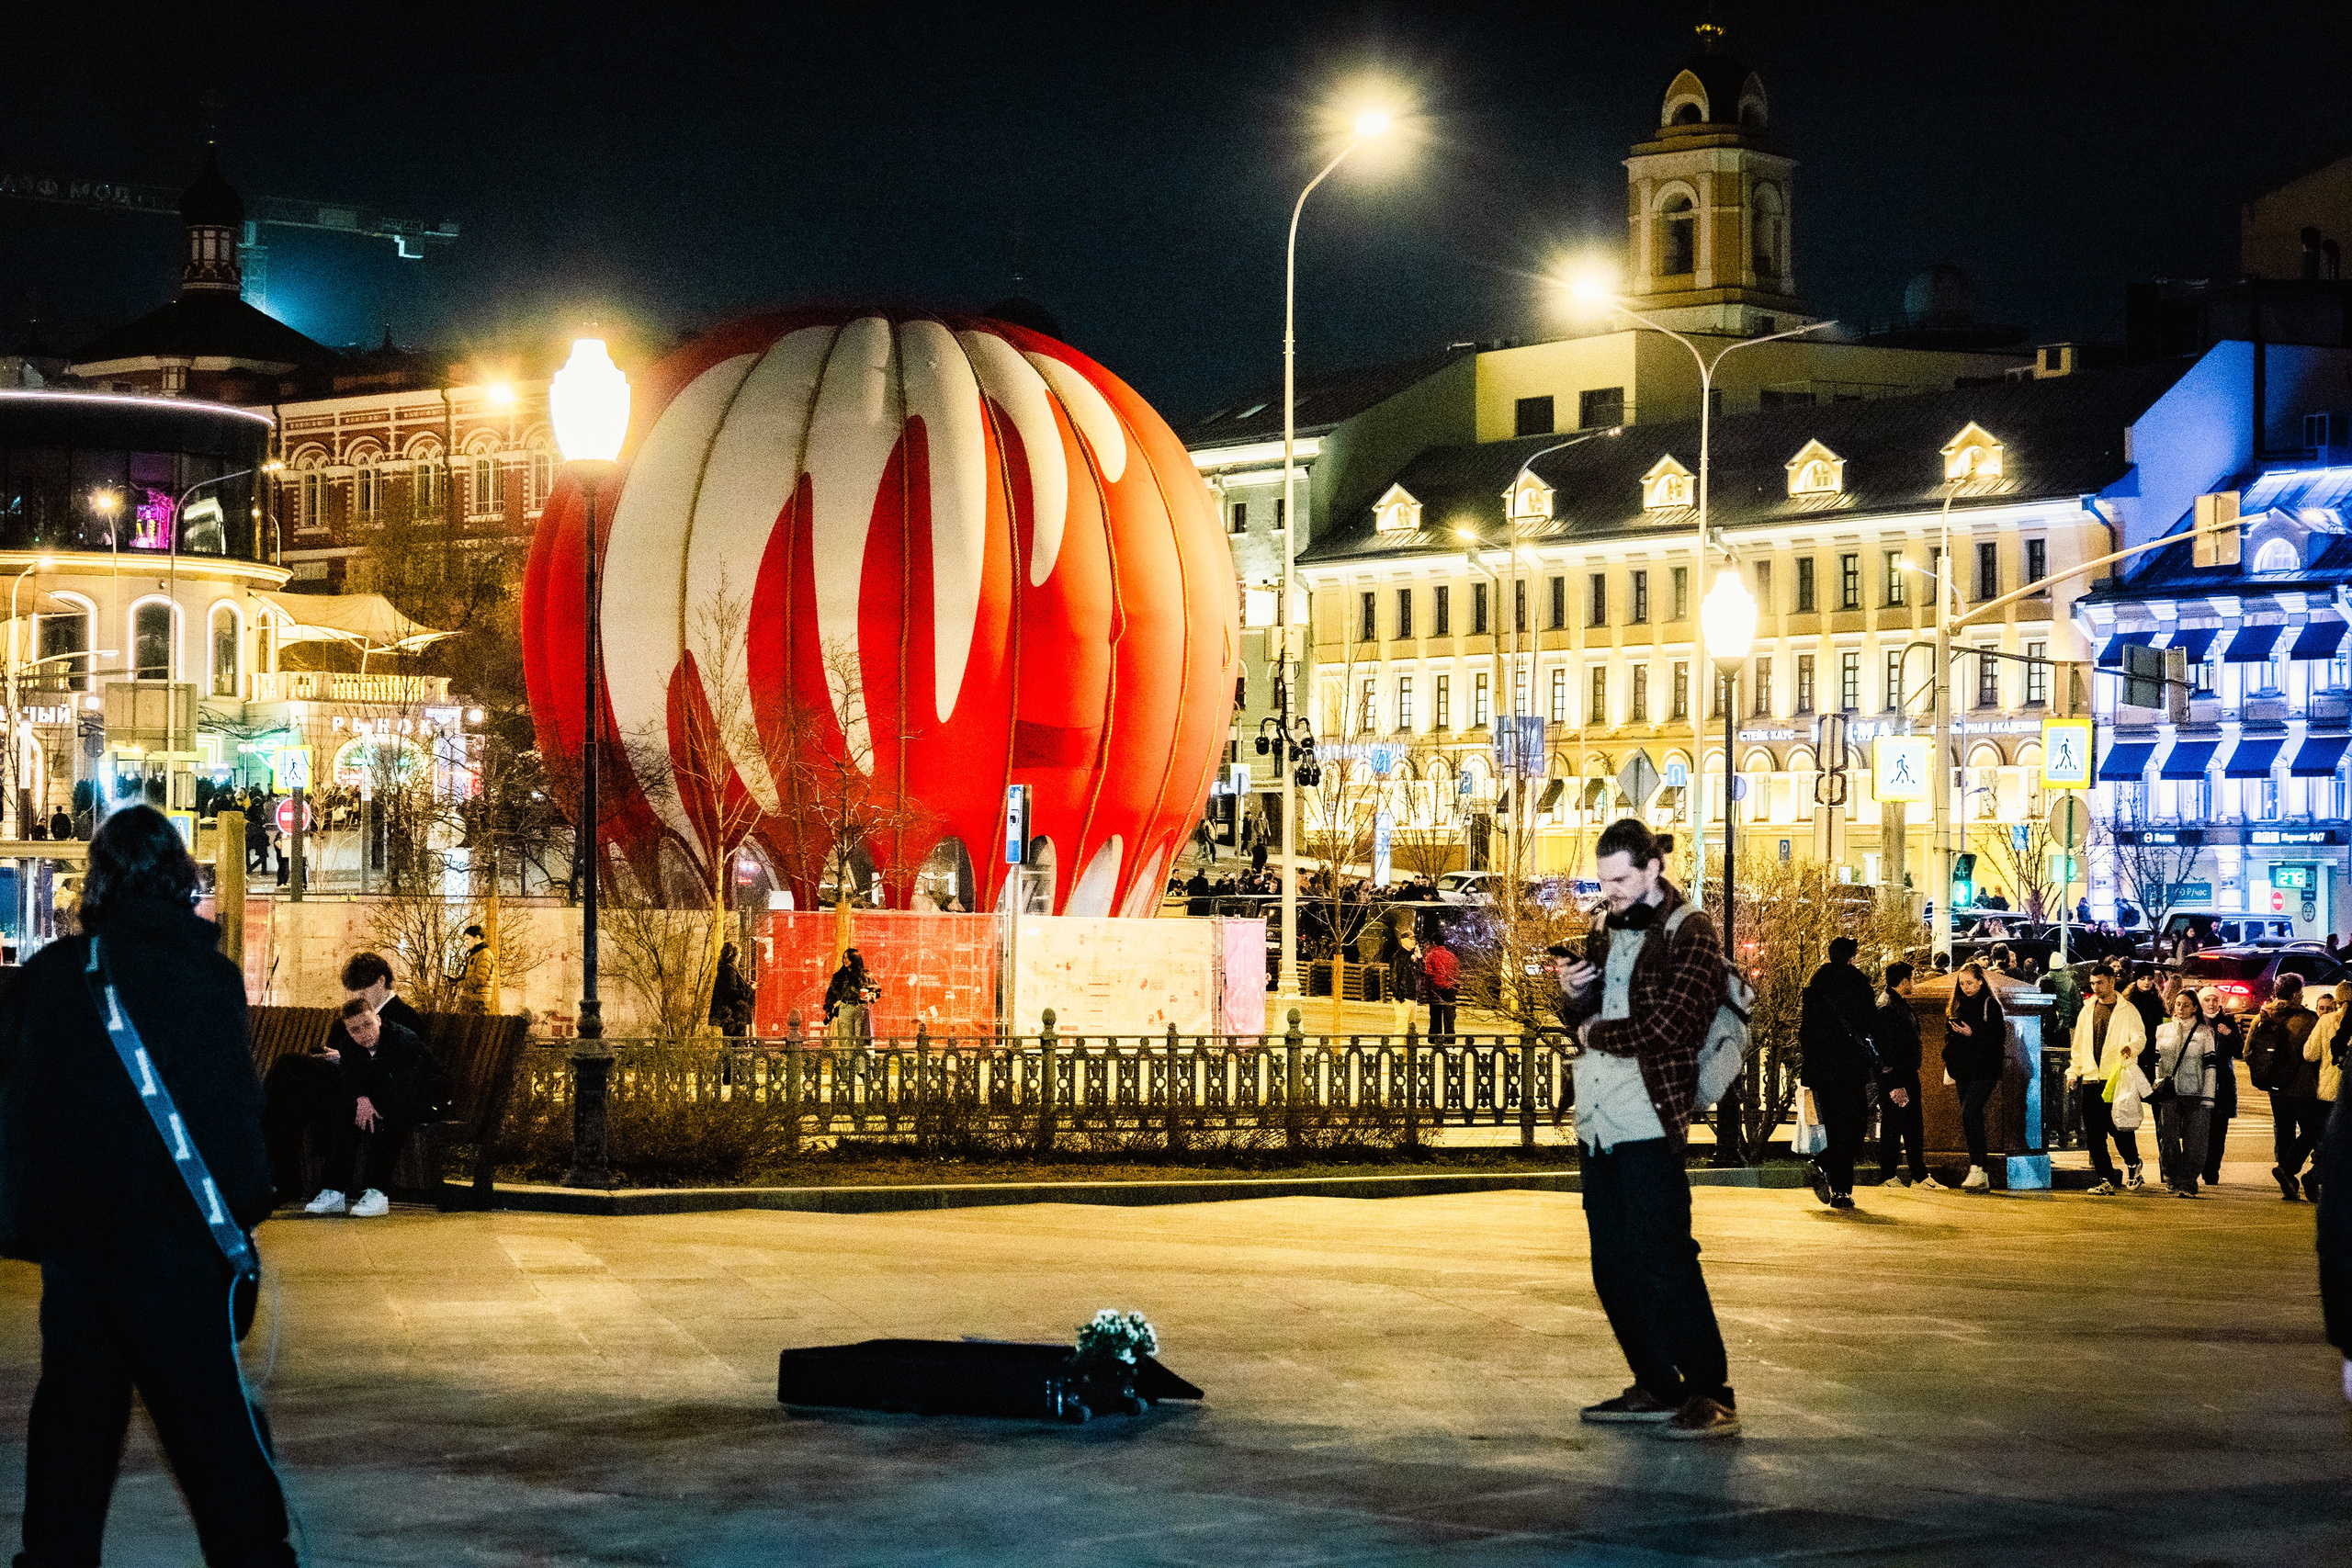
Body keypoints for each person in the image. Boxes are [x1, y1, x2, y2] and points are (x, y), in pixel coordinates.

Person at [0, 805, 296, 1565]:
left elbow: (24, 1110)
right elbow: (234, 1114)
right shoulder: (209, 977)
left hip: (84, 1257)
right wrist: (244, 1209)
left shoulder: (55, 978)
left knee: (71, 1444)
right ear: (179, 877)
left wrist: (38, 1224)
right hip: (180, 1257)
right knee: (218, 1449)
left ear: (97, 882)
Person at [1557, 821, 1739, 1440]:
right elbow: (1585, 1016)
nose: (1608, 891)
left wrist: (1594, 1033)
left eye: (1619, 879)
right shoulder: (1608, 927)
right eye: (1602, 879)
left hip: (1649, 1118)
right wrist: (1571, 994)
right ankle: (1656, 1381)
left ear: (1652, 868)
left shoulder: (1691, 931)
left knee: (1665, 1257)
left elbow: (1674, 1025)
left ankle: (1710, 1390)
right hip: (1599, 1120)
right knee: (1611, 1261)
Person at [263, 997, 449, 1217]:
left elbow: (406, 1088)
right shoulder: (349, 1046)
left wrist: (371, 1102)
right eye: (355, 1030)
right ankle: (334, 1190)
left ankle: (377, 1192)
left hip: (426, 1098)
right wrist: (361, 1099)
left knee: (389, 1117)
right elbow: (349, 1080)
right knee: (347, 1113)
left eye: (368, 1024)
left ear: (378, 1019)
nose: (364, 1033)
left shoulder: (404, 1042)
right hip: (383, 1094)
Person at [1797, 936, 1878, 1210]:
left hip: (1822, 1070)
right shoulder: (1859, 985)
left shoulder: (1815, 985)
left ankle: (1838, 1187)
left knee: (1835, 1127)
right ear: (1852, 956)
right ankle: (1831, 1176)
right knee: (1854, 1127)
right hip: (1850, 1068)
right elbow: (1869, 1024)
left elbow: (1805, 1032)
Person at [2068, 965, 2148, 1193]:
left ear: (2112, 982)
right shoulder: (2087, 1009)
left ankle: (2133, 1163)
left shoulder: (2127, 1010)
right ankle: (2104, 1178)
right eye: (2093, 983)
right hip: (2091, 1078)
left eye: (2100, 983)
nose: (2095, 987)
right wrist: (2073, 1072)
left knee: (2119, 1127)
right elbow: (2079, 1045)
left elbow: (2140, 1037)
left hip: (2115, 1077)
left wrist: (2130, 1048)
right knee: (2094, 1134)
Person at [2247, 973, 2324, 1201]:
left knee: (2284, 1131)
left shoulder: (2261, 1017)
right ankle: (2289, 1168)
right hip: (2302, 1087)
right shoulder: (2309, 1020)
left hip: (2275, 1087)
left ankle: (2288, 1181)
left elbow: (2246, 1053)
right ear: (2295, 994)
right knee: (2312, 1131)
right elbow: (2315, 1054)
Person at [1944, 961, 2008, 1191]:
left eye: (1970, 983)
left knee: (1970, 1111)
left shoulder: (1989, 1004)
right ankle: (1978, 1168)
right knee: (1970, 1117)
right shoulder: (1957, 1004)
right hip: (1963, 1068)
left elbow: (1998, 1037)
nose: (1966, 987)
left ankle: (1979, 1167)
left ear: (1981, 981)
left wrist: (1973, 1033)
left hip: (1984, 1068)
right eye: (1962, 983)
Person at [1871, 961, 1935, 1189]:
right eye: (1913, 977)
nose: (1915, 982)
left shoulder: (1894, 1003)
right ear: (1905, 980)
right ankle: (1888, 1175)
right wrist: (1894, 1084)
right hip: (1898, 1077)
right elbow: (1887, 1049)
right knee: (1894, 1125)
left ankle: (1918, 1175)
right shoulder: (1888, 1007)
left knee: (1911, 1124)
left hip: (1904, 1074)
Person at [2154, 987, 2221, 1197]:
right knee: (2168, 1138)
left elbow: (2210, 1067)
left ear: (2194, 1009)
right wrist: (2158, 1086)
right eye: (2178, 1004)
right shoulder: (2162, 1030)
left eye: (2186, 1005)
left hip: (2196, 1093)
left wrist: (2208, 1097)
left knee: (2195, 1141)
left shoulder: (2204, 1032)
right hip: (2170, 1093)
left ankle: (2188, 1181)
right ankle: (2172, 1176)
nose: (2181, 1008)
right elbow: (2158, 1063)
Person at [2198, 987, 2245, 1187]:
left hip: (2222, 1084)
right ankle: (2196, 1167)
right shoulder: (2196, 1022)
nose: (2211, 1003)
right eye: (2207, 1000)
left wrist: (2229, 1035)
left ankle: (2211, 1172)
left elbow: (2240, 1052)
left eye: (2214, 999)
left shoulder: (2227, 1022)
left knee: (2218, 1133)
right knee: (2198, 1131)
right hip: (2199, 1083)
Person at [340, 951, 427, 1039]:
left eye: (364, 987)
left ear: (381, 981)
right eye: (354, 990)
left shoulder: (406, 1017)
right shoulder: (351, 1017)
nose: (358, 996)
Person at [826, 947, 876, 1043]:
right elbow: (831, 993)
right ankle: (846, 1057)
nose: (845, 960)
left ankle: (861, 1057)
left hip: (861, 1008)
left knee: (862, 1038)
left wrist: (870, 996)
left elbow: (876, 990)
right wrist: (829, 1008)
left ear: (855, 959)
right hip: (845, 1007)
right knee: (845, 1038)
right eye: (844, 957)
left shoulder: (866, 975)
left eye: (848, 957)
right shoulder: (839, 976)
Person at [710, 942, 753, 1037]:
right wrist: (749, 988)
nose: (740, 955)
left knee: (731, 1043)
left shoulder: (726, 968)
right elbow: (732, 991)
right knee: (735, 1044)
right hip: (735, 1015)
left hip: (731, 1015)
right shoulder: (730, 969)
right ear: (734, 955)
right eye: (739, 953)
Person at [1423, 935, 1459, 1044]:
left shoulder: (1431, 956)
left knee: (1435, 1016)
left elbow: (1429, 973)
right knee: (1449, 1016)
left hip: (1436, 989)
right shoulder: (1451, 956)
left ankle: (1435, 1038)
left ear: (1434, 942)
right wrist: (1454, 988)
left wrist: (1428, 987)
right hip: (1449, 989)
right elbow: (1457, 973)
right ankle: (1450, 1039)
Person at [454, 924, 496, 1014]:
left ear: (477, 938)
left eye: (467, 939)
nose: (465, 942)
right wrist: (457, 980)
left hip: (478, 1001)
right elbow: (470, 976)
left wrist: (460, 983)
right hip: (472, 999)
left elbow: (479, 979)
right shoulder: (475, 954)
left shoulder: (484, 954)